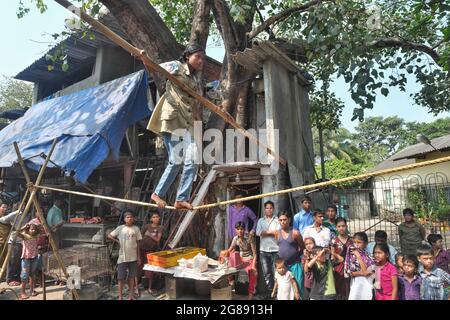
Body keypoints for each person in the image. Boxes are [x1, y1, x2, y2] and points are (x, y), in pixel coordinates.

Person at [149, 43, 206, 210]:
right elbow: (154, 68)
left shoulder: (195, 79)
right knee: (176, 160)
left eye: (203, 58)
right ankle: (157, 194)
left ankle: (181, 198)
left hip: (187, 122)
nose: (201, 61)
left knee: (193, 158)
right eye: (198, 56)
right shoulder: (176, 66)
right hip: (172, 119)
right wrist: (143, 58)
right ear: (188, 56)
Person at [108, 211, 142, 300]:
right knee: (120, 278)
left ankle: (130, 295)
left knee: (131, 277)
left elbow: (138, 244)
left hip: (133, 257)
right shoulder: (120, 228)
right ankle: (120, 296)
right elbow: (109, 235)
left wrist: (138, 257)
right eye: (127, 217)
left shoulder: (136, 229)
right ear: (124, 219)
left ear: (133, 218)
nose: (129, 218)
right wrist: (117, 241)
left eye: (131, 217)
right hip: (122, 257)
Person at [275, 211, 305, 297]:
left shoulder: (295, 233)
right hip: (283, 267)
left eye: (284, 219)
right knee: (284, 290)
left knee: (298, 289)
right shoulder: (277, 233)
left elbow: (302, 247)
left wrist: (295, 256)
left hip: (295, 265)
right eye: (280, 220)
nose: (282, 222)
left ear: (289, 220)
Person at [227, 221, 258, 300]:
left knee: (253, 272)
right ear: (235, 230)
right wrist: (224, 254)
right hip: (241, 259)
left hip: (250, 258)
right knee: (227, 268)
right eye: (238, 229)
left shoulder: (249, 238)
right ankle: (231, 284)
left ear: (244, 230)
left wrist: (254, 266)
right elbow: (229, 250)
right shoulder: (235, 238)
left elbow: (255, 254)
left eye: (241, 229)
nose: (240, 231)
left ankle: (250, 296)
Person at [0, 205, 30, 286]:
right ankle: (10, 279)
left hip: (22, 240)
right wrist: (12, 227)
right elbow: (2, 219)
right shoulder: (15, 214)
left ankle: (16, 278)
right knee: (12, 261)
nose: (24, 207)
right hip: (14, 240)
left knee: (19, 260)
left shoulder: (27, 215)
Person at [255, 200, 280, 298]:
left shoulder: (277, 220)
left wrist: (265, 232)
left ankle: (277, 292)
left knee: (276, 272)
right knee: (267, 274)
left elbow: (278, 233)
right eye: (267, 208)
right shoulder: (261, 220)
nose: (269, 210)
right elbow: (258, 233)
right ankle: (271, 293)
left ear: (273, 209)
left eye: (270, 208)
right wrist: (272, 232)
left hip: (275, 250)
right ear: (264, 209)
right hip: (263, 251)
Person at [345, 232, 375, 300]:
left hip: (367, 283)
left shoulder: (368, 255)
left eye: (359, 242)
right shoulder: (351, 254)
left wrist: (358, 256)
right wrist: (361, 273)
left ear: (366, 244)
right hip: (356, 284)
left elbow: (368, 272)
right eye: (354, 242)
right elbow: (349, 272)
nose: (356, 244)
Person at [139, 211, 163, 296]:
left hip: (151, 251)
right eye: (153, 217)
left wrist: (149, 235)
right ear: (151, 219)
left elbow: (158, 240)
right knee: (139, 267)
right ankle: (136, 287)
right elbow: (140, 236)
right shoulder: (146, 226)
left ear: (159, 218)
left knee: (150, 270)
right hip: (141, 249)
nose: (155, 218)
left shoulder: (160, 227)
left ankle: (149, 288)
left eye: (157, 217)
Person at [17, 220, 42, 299]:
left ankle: (31, 290)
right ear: (28, 229)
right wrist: (24, 227)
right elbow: (17, 232)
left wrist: (37, 226)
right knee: (24, 276)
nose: (33, 230)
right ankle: (22, 292)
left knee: (32, 275)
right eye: (31, 229)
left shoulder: (36, 235)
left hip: (34, 257)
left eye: (34, 229)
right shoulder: (24, 236)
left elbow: (42, 230)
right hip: (26, 259)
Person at [330, 217, 353, 300]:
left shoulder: (352, 240)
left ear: (346, 226)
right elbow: (332, 256)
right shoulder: (333, 241)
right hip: (338, 269)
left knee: (350, 289)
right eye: (339, 226)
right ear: (336, 227)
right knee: (339, 291)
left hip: (351, 268)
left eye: (343, 226)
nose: (341, 228)